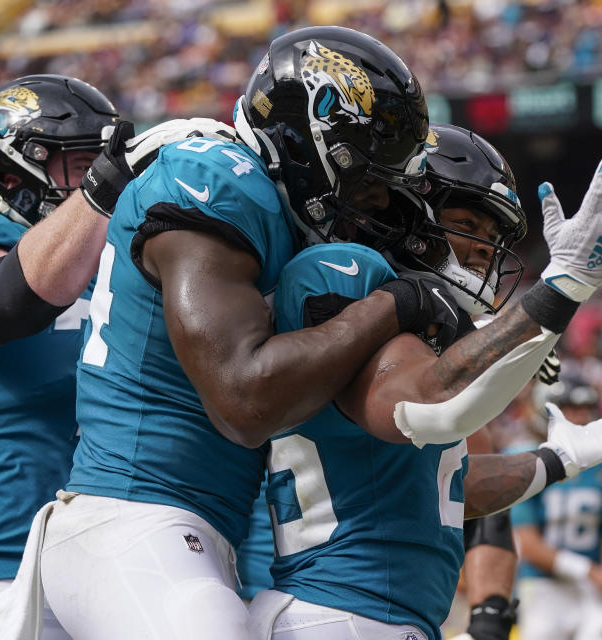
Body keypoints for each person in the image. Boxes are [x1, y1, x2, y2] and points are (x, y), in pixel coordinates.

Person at [32, 27, 461, 640]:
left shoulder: (269, 215)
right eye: (366, 175)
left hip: (185, 538)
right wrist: (398, 303)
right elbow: (243, 398)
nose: (374, 197)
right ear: (307, 138)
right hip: (133, 520)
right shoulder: (220, 179)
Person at [246, 124, 602, 639]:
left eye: (493, 239)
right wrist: (561, 290)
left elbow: (446, 489)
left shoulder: (416, 329)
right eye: (467, 224)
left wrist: (557, 460)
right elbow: (432, 406)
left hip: (366, 614)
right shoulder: (347, 277)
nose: (485, 250)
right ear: (404, 213)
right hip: (339, 610)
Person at [0, 74, 198, 639]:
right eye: (81, 164)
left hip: (106, 582)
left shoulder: (106, 270)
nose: (98, 179)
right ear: (13, 176)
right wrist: (102, 191)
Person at [512, 376, 602, 640]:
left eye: (586, 408)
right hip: (543, 585)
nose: (581, 416)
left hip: (592, 588)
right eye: (571, 408)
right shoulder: (524, 458)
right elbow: (528, 544)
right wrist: (588, 571)